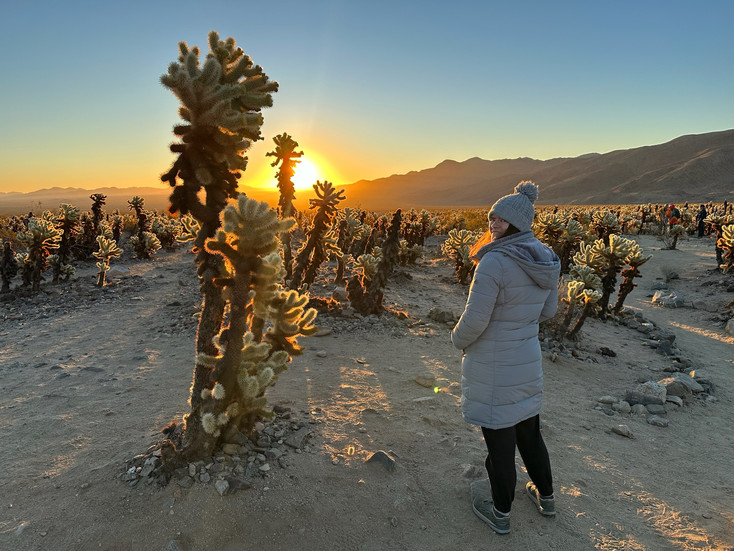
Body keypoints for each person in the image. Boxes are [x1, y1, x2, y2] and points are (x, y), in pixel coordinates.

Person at [451, 181, 561, 535]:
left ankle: (499, 513)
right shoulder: (544, 257)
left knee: (499, 440)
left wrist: (457, 339)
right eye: (491, 218)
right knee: (529, 433)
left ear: (516, 222)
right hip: (527, 357)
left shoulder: (495, 260)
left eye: (500, 220)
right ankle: (546, 498)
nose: (493, 225)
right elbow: (549, 310)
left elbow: (475, 319)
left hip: (495, 363)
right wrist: (520, 322)